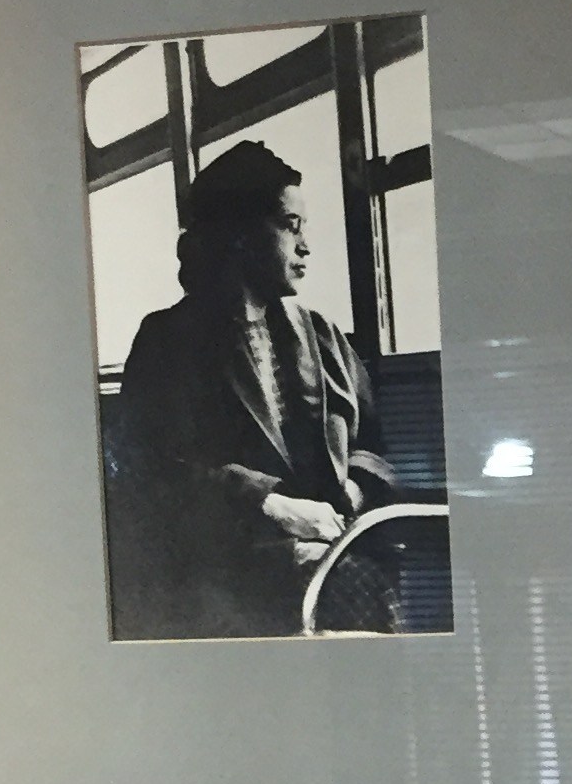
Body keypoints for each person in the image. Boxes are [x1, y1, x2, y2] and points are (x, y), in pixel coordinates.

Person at [104, 138, 402, 638]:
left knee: (356, 586)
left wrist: (349, 495)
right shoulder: (169, 339)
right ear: (240, 235)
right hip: (222, 568)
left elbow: (372, 448)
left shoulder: (323, 336)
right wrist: (272, 506)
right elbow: (151, 473)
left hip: (334, 548)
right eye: (290, 225)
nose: (305, 245)